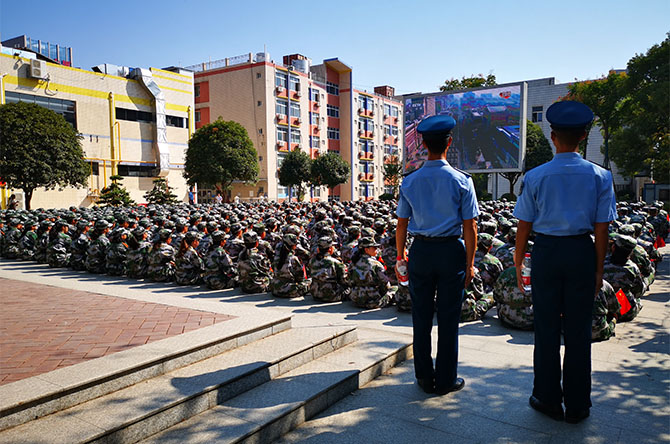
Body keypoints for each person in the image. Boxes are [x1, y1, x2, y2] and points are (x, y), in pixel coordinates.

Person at [513, 101, 616, 424]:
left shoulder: (535, 176)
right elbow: (602, 229)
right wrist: (598, 269)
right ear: (584, 136)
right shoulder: (601, 176)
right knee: (578, 331)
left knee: (545, 329)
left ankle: (547, 398)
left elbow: (523, 227)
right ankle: (578, 404)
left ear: (552, 136)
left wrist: (518, 262)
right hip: (581, 251)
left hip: (546, 252)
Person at [395, 115, 479, 396]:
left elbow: (401, 224)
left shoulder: (409, 182)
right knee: (448, 318)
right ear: (449, 143)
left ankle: (423, 377)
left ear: (422, 145)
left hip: (420, 251)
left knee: (420, 317)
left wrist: (400, 257)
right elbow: (470, 226)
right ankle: (445, 380)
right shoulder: (462, 181)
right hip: (451, 252)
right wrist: (470, 264)